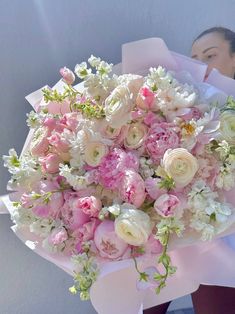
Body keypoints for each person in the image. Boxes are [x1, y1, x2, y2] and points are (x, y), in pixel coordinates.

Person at [144, 26, 235, 314]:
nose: (200, 65)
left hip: (222, 234)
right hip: (176, 233)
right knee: (147, 303)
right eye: (194, 57)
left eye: (210, 56)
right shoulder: (181, 109)